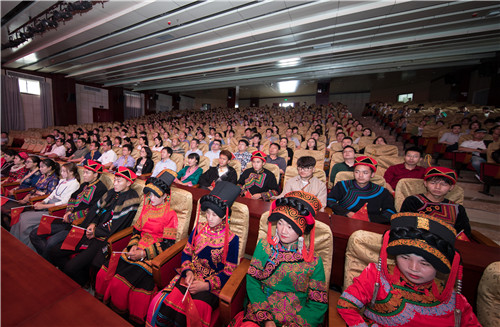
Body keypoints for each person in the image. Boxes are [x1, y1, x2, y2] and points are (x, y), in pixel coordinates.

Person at [337, 212, 481, 326]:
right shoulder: (376, 277)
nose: (413, 268)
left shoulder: (455, 301)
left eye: (424, 263)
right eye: (405, 257)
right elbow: (346, 305)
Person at [146, 182, 241, 327]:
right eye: (207, 212)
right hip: (190, 276)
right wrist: (188, 271)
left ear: (225, 216)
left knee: (194, 311)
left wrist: (206, 285)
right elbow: (187, 252)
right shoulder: (199, 228)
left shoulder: (232, 239)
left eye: (214, 215)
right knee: (169, 303)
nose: (209, 218)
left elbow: (229, 271)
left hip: (211, 285)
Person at [95, 170, 178, 325]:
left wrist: (143, 254)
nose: (151, 198)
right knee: (104, 272)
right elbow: (136, 231)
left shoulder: (170, 214)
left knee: (120, 283)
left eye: (155, 195)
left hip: (151, 255)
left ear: (165, 196)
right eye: (149, 194)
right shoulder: (147, 208)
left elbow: (168, 244)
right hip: (135, 249)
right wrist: (133, 245)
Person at [233, 191, 328, 326]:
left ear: (302, 231)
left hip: (295, 317)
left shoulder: (314, 262)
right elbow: (253, 281)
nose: (283, 231)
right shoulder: (264, 246)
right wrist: (266, 317)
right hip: (261, 309)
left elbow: (317, 304)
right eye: (281, 223)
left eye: (290, 227)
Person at [48, 167, 141, 286]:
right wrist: (92, 223)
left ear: (128, 183)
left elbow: (117, 224)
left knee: (70, 268)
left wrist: (95, 231)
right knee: (55, 251)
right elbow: (97, 210)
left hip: (103, 237)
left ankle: (82, 281)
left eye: (119, 181)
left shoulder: (131, 199)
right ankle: (78, 276)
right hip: (91, 229)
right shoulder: (112, 192)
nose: (115, 183)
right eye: (115, 180)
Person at [30, 160, 107, 259]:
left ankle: (46, 262)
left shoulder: (101, 189)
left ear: (96, 174)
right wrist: (68, 211)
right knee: (35, 234)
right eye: (84, 172)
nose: (84, 175)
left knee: (51, 242)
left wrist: (72, 217)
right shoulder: (85, 184)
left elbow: (92, 210)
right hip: (66, 219)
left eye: (87, 173)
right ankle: (47, 258)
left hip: (78, 224)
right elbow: (72, 198)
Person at [11, 162, 80, 250]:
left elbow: (64, 202)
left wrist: (44, 206)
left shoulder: (75, 184)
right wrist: (42, 202)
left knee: (26, 220)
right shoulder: (62, 180)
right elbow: (52, 194)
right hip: (48, 205)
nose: (61, 173)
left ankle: (26, 248)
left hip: (56, 210)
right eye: (61, 171)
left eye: (64, 171)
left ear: (71, 172)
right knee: (21, 216)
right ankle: (15, 242)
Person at [400, 166, 472, 239]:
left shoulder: (458, 209)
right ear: (425, 183)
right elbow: (403, 226)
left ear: (451, 187)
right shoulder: (413, 201)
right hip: (416, 242)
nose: (438, 187)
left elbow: (464, 233)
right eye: (433, 183)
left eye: (444, 184)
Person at [327, 156, 395, 223]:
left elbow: (390, 212)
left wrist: (369, 219)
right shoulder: (342, 185)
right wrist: (347, 212)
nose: (360, 175)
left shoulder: (381, 192)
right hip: (344, 221)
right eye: (357, 172)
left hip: (370, 224)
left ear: (372, 174)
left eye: (365, 173)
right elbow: (330, 200)